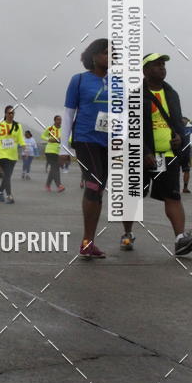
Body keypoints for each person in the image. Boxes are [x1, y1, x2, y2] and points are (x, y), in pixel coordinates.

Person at [121, 55, 192, 257]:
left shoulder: (171, 93)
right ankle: (127, 234)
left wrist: (179, 139)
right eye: (157, 65)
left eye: (163, 64)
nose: (162, 68)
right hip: (139, 156)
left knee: (173, 196)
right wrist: (144, 151)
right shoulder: (135, 95)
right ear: (145, 70)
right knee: (133, 197)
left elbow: (177, 123)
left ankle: (180, 239)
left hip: (167, 155)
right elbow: (131, 129)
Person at [61, 39, 128, 260]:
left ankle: (88, 242)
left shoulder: (118, 83)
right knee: (94, 183)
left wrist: (121, 139)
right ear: (94, 56)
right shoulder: (78, 80)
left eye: (114, 54)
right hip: (85, 139)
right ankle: (87, 242)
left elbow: (122, 114)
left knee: (99, 189)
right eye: (107, 53)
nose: (111, 57)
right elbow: (69, 114)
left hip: (109, 142)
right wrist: (63, 147)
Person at [0, 106, 25, 203]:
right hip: (2, 154)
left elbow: (21, 138)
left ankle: (0, 191)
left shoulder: (18, 126)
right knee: (7, 174)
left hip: (13, 154)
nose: (11, 115)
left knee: (8, 175)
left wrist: (24, 148)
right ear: (5, 114)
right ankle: (9, 196)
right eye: (9, 113)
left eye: (12, 113)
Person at [41, 116, 64, 192]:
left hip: (59, 151)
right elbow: (43, 136)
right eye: (58, 120)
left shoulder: (63, 129)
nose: (59, 121)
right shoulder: (50, 128)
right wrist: (49, 139)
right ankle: (59, 185)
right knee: (55, 168)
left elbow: (69, 138)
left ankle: (47, 185)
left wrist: (63, 140)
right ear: (54, 120)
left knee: (53, 168)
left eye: (60, 120)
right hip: (50, 151)